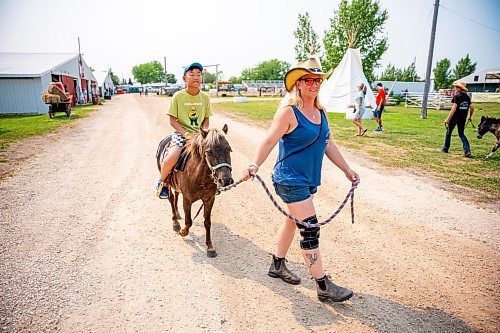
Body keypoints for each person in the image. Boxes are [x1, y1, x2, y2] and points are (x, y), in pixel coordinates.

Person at [241, 58, 359, 303]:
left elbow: (328, 143)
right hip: (289, 179)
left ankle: (277, 265)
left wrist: (347, 169)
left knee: (292, 221)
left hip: (307, 180)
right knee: (310, 229)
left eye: (317, 80)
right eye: (309, 80)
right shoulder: (289, 112)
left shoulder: (321, 112)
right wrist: (255, 164)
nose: (314, 84)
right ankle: (323, 285)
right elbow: (269, 140)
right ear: (298, 84)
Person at [156, 62, 212, 198]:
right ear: (184, 79)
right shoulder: (178, 96)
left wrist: (202, 134)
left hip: (200, 135)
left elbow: (206, 119)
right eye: (191, 74)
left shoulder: (205, 97)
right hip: (182, 134)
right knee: (171, 157)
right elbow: (172, 120)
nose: (196, 77)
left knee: (215, 153)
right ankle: (162, 182)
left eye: (199, 74)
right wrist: (187, 135)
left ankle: (215, 182)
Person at [442, 81, 474, 157]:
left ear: (460, 88)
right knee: (461, 134)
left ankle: (445, 149)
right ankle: (467, 150)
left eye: (456, 87)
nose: (455, 88)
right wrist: (470, 116)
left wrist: (447, 119)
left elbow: (453, 108)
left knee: (449, 132)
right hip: (463, 118)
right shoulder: (467, 97)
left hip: (454, 118)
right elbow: (472, 107)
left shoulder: (457, 96)